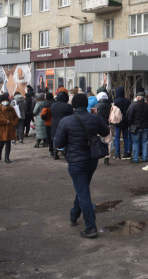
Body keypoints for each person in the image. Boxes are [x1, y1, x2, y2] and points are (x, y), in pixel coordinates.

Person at [54, 93, 110, 238]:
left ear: (73, 106)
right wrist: (97, 116)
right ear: (87, 105)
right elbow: (106, 131)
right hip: (91, 159)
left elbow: (58, 144)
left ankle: (91, 227)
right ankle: (74, 215)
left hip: (75, 160)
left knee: (83, 192)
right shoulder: (94, 118)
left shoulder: (66, 121)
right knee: (82, 189)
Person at [0, 93, 19, 163]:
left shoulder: (11, 108)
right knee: (0, 144)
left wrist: (13, 123)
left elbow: (16, 117)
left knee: (8, 144)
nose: (5, 102)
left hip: (10, 129)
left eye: (6, 100)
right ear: (1, 102)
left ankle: (7, 157)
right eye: (3, 101)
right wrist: (4, 121)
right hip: (1, 129)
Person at [128, 92, 148, 164]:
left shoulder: (134, 106)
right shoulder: (147, 106)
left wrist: (130, 126)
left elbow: (130, 117)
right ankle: (145, 158)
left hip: (136, 127)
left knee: (135, 143)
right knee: (145, 142)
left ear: (138, 98)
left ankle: (136, 159)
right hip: (145, 127)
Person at [51, 90, 73, 160]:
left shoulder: (53, 105)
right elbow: (71, 114)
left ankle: (55, 153)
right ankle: (65, 153)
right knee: (66, 138)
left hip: (54, 123)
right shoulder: (67, 106)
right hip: (65, 123)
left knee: (55, 138)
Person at [112, 87, 131, 160]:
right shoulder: (128, 101)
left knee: (117, 137)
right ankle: (126, 152)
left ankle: (117, 154)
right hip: (125, 122)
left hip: (117, 122)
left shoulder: (115, 102)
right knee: (126, 137)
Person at [95, 92, 112, 166]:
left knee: (97, 140)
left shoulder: (96, 106)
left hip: (98, 126)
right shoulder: (111, 105)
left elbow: (93, 117)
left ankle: (97, 154)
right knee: (108, 141)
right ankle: (107, 158)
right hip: (108, 125)